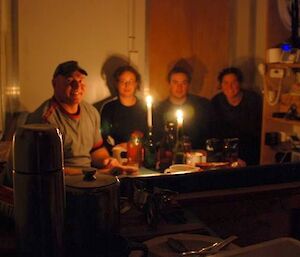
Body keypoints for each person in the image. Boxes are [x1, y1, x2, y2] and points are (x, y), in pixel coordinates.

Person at [26, 60, 120, 173]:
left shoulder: (91, 112)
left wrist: (107, 160)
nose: (77, 86)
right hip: (60, 183)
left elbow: (96, 150)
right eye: (69, 81)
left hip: (88, 177)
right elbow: (46, 169)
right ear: (54, 84)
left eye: (80, 80)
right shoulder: (45, 120)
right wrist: (92, 173)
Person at [154, 66, 215, 150]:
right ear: (169, 84)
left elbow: (210, 134)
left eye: (184, 83)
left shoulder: (202, 105)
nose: (179, 87)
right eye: (175, 82)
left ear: (188, 85)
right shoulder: (159, 109)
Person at [211, 66, 262, 166]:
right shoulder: (217, 101)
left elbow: (256, 133)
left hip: (249, 150)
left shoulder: (252, 100)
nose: (230, 87)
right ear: (220, 85)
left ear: (240, 83)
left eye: (234, 82)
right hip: (224, 152)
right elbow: (214, 131)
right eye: (225, 83)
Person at [100, 65, 147, 153]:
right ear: (116, 84)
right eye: (123, 81)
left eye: (130, 81)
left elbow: (154, 134)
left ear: (136, 84)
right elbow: (103, 135)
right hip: (116, 156)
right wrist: (116, 148)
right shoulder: (109, 108)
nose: (127, 85)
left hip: (141, 155)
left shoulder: (146, 108)